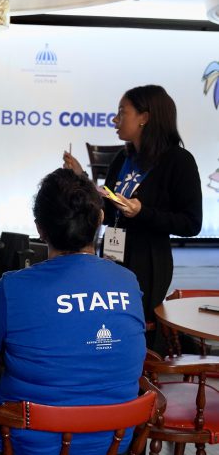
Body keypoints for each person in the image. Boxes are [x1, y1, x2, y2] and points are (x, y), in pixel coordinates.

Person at [0, 168, 146, 455]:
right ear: (99, 218)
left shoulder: (12, 288)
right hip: (112, 454)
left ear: (40, 229)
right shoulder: (129, 282)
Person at [63, 85, 202, 349]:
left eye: (121, 112)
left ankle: (138, 380)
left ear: (144, 118)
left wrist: (143, 213)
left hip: (148, 261)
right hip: (113, 254)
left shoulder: (179, 161)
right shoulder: (123, 157)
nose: (115, 120)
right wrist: (81, 179)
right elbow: (110, 211)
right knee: (106, 325)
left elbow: (191, 223)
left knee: (131, 329)